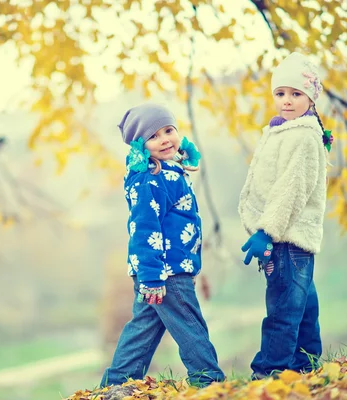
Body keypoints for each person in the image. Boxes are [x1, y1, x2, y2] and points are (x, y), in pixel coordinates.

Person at [100, 103, 225, 388]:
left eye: (169, 130)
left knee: (143, 329)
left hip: (164, 269)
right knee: (189, 324)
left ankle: (117, 384)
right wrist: (153, 277)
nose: (165, 139)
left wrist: (185, 153)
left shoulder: (168, 170)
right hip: (164, 271)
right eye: (154, 136)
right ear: (141, 145)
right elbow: (144, 229)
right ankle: (209, 381)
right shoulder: (150, 179)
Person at [238, 52, 334, 378]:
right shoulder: (281, 130)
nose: (287, 101)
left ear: (311, 97)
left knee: (282, 309)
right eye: (280, 94)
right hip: (291, 239)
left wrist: (266, 231)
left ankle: (268, 372)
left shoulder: (303, 136)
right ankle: (306, 366)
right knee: (303, 304)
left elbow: (291, 191)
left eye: (296, 94)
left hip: (287, 238)